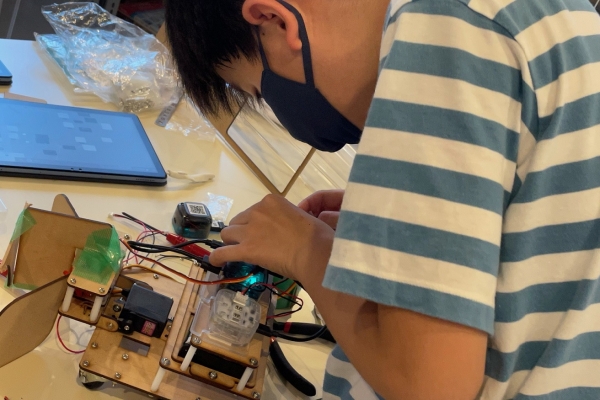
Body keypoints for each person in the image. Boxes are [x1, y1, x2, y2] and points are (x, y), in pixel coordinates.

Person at [165, 0, 600, 398]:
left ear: (274, 20)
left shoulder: (442, 28)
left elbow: (429, 385)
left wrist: (305, 250)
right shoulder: (549, 11)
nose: (277, 109)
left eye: (261, 92)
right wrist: (404, 223)